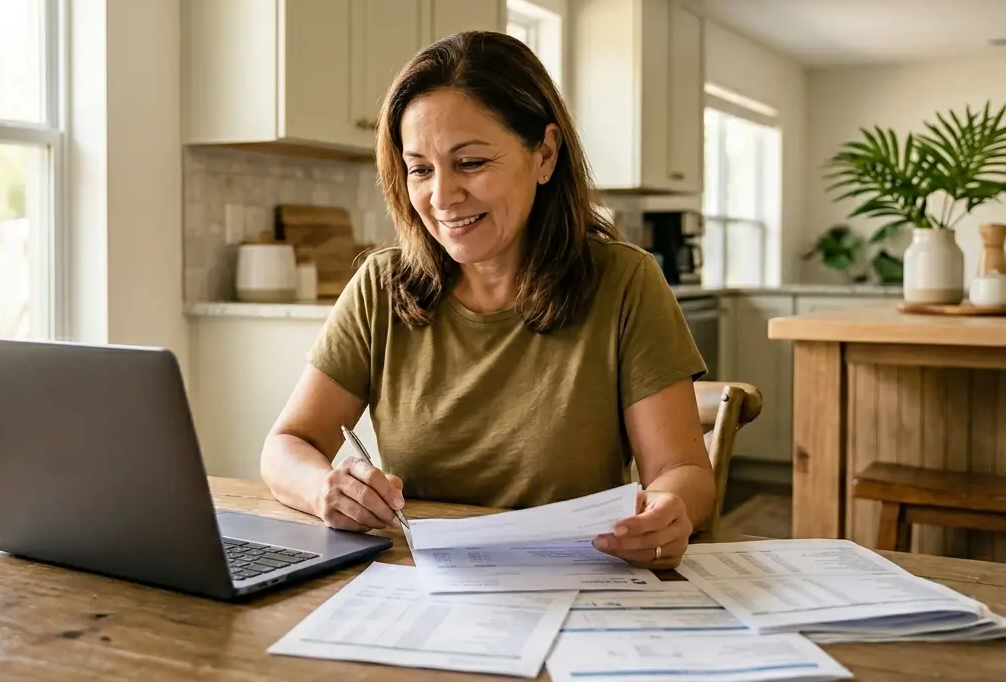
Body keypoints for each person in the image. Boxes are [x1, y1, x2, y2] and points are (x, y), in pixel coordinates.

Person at [259, 31, 714, 569]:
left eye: (471, 163)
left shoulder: (625, 282)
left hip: (578, 578)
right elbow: (286, 444)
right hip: (426, 585)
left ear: (544, 154)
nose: (442, 197)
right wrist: (324, 489)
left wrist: (667, 509)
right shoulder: (382, 288)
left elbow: (683, 471)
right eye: (421, 169)